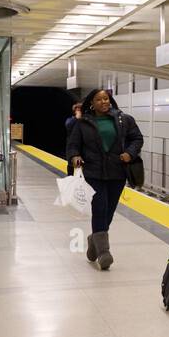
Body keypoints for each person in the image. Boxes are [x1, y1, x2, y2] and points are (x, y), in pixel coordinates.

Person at [66, 89, 143, 270]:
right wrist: (75, 157)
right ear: (92, 103)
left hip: (117, 173)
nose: (104, 102)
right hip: (93, 173)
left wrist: (129, 154)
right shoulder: (82, 123)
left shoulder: (124, 120)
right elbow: (73, 145)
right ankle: (104, 253)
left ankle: (94, 241)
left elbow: (137, 138)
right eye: (99, 99)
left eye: (106, 99)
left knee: (109, 211)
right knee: (100, 208)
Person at [64, 101, 82, 176]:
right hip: (71, 145)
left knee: (81, 165)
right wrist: (76, 118)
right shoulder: (71, 119)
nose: (78, 111)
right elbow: (68, 125)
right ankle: (70, 179)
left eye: (80, 109)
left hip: (83, 145)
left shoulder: (86, 119)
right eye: (76, 109)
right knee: (70, 164)